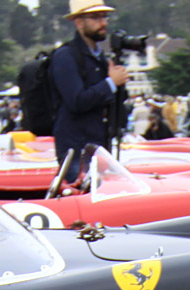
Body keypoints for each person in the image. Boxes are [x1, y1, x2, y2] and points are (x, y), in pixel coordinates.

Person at [49, 0, 130, 180]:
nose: (103, 23)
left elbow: (112, 102)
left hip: (98, 147)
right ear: (79, 22)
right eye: (95, 18)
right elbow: (77, 101)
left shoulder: (99, 58)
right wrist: (110, 83)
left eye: (104, 17)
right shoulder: (65, 56)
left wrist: (117, 85)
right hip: (76, 150)